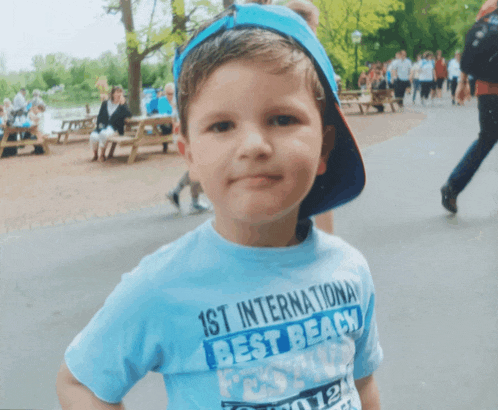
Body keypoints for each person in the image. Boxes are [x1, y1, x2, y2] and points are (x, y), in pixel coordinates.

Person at [56, 4, 383, 410]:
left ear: (325, 146)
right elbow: (81, 383)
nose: (253, 145)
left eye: (282, 119)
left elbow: (362, 384)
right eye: (222, 126)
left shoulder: (350, 271)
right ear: (188, 153)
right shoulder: (163, 285)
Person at [440, 0, 498, 213]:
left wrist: (462, 83)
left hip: (486, 87)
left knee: (486, 138)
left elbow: (473, 46)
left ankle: (453, 186)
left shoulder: (489, 6)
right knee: (487, 138)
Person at [89, 85, 131, 162]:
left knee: (103, 134)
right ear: (112, 94)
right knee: (93, 136)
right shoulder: (105, 103)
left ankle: (102, 155)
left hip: (115, 129)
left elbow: (129, 115)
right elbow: (100, 116)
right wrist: (99, 126)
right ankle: (95, 155)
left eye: (120, 92)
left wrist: (123, 104)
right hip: (102, 127)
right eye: (117, 92)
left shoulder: (122, 105)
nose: (119, 94)